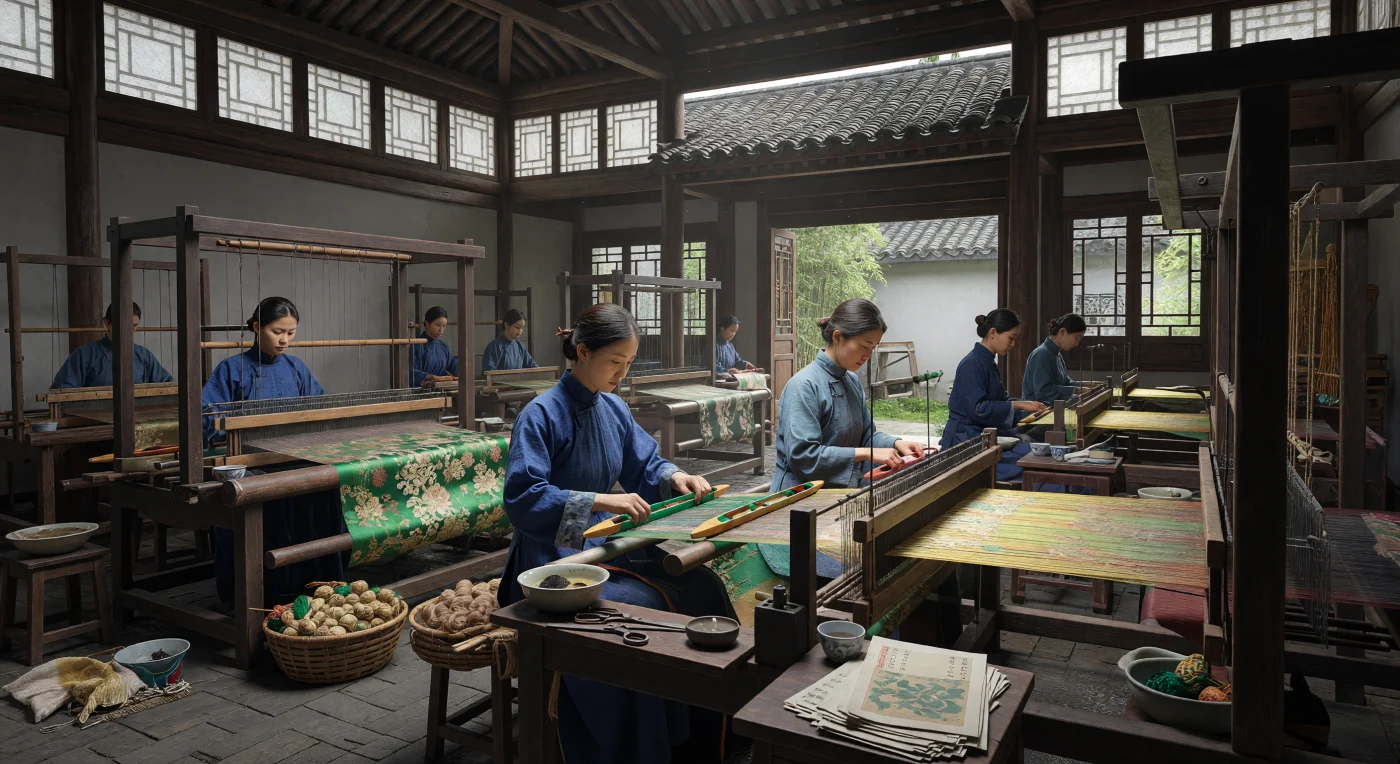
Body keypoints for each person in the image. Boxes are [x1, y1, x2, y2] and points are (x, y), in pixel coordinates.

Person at [500, 303, 730, 764]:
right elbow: (523, 498)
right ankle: (634, 749)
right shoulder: (541, 414)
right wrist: (600, 500)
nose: (621, 374)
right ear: (582, 352)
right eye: (614, 362)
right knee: (639, 613)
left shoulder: (613, 409)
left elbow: (645, 463)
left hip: (600, 550)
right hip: (550, 565)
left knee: (703, 587)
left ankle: (702, 737)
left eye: (628, 364)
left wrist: (674, 477)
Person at [202, 297, 339, 607]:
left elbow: (320, 407)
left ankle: (313, 588)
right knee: (259, 500)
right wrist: (237, 433)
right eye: (278, 331)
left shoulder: (296, 368)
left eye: (291, 333)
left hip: (292, 459)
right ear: (256, 328)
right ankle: (256, 598)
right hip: (249, 462)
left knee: (325, 492)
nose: (285, 340)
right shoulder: (231, 369)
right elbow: (205, 418)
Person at [771, 299, 924, 492]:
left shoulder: (851, 381)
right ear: (838, 337)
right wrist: (865, 453)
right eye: (864, 346)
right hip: (798, 496)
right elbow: (804, 457)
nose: (867, 355)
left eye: (872, 348)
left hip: (838, 493)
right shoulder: (804, 385)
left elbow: (867, 437)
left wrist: (896, 443)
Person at [940, 309, 1047, 483]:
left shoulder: (988, 362)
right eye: (1011, 338)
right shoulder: (972, 364)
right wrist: (1017, 405)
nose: (1013, 344)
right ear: (992, 333)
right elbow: (978, 409)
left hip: (980, 435)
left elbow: (999, 402)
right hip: (965, 441)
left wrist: (1026, 405)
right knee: (1031, 463)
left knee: (1033, 450)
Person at [50, 302, 173, 388]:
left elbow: (168, 384)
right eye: (124, 325)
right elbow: (63, 389)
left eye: (134, 326)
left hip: (137, 420)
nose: (130, 331)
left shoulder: (143, 355)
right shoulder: (84, 354)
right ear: (107, 323)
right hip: (94, 420)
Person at [1023, 313, 1088, 407]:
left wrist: (1089, 385)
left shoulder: (1056, 353)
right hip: (1036, 412)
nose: (1077, 344)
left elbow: (1066, 382)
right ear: (1062, 332)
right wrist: (1078, 390)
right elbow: (1044, 391)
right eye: (1076, 338)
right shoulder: (1042, 354)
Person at [411, 306, 460, 388]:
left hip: (442, 390)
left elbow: (453, 366)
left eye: (444, 326)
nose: (441, 330)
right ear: (427, 324)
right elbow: (411, 372)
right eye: (438, 325)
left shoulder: (443, 346)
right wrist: (431, 377)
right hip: (420, 392)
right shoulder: (416, 345)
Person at [480, 308, 538, 375]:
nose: (520, 331)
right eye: (517, 328)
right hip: (500, 385)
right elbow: (488, 371)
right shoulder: (494, 346)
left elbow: (532, 366)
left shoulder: (519, 346)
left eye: (522, 328)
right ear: (506, 325)